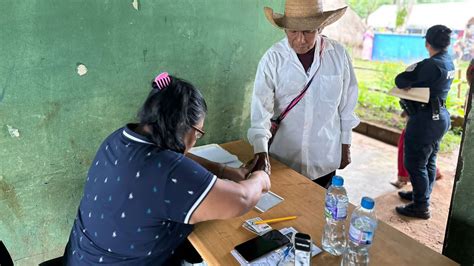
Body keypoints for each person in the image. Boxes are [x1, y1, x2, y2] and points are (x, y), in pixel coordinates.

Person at [64, 73, 270, 265]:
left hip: (80, 257)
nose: (195, 142)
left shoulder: (119, 138)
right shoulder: (167, 172)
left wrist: (224, 171)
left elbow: (175, 158)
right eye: (198, 134)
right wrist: (260, 178)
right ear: (183, 125)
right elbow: (241, 199)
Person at [247, 0, 360, 188]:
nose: (300, 39)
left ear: (320, 28)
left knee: (318, 211)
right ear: (285, 30)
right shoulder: (273, 59)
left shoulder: (338, 55)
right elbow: (260, 112)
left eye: (308, 31)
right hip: (283, 159)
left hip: (324, 158)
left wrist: (345, 145)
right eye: (293, 31)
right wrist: (261, 152)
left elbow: (347, 105)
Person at [395, 25, 455, 219]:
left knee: (414, 163)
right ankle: (421, 195)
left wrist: (411, 72)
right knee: (428, 160)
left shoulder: (430, 65)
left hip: (425, 118)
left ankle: (421, 206)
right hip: (440, 117)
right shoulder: (448, 62)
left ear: (427, 43)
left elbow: (401, 80)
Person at [390, 112, 443, 189]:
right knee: (423, 153)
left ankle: (403, 178)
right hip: (431, 124)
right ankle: (434, 172)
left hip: (416, 123)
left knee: (405, 149)